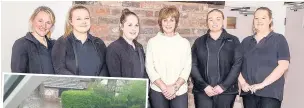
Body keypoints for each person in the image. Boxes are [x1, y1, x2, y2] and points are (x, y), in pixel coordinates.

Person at [238, 7, 290, 108]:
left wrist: (262, 84)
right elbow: (236, 65)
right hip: (249, 93)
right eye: (256, 18)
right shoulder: (246, 41)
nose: (259, 21)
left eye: (263, 18)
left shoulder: (279, 39)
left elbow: (283, 65)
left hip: (270, 93)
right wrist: (243, 83)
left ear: (270, 20)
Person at [191, 9, 242, 108]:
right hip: (203, 92)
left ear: (223, 21)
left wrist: (223, 86)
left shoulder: (234, 40)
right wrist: (204, 86)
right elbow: (193, 65)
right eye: (210, 19)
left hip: (226, 92)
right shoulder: (199, 42)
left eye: (218, 19)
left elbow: (237, 64)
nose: (214, 22)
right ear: (207, 22)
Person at [146, 6, 191, 108]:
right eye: (165, 20)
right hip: (158, 90)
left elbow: (187, 68)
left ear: (176, 22)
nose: (168, 23)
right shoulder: (152, 42)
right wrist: (164, 87)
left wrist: (174, 87)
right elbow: (150, 67)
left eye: (172, 20)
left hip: (179, 91)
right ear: (160, 22)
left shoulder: (184, 43)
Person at [52, 5, 108, 76]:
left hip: (95, 86)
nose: (83, 22)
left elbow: (105, 66)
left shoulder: (99, 43)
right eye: (78, 19)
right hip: (71, 86)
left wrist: (97, 84)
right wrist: (78, 83)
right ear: (71, 21)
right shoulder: (62, 42)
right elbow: (59, 69)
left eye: (86, 18)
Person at [11, 6, 56, 74]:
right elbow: (17, 76)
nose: (44, 26)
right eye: (40, 21)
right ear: (32, 20)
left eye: (48, 22)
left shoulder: (56, 45)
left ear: (51, 26)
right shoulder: (21, 44)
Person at [106, 8, 147, 78]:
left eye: (136, 25)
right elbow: (115, 79)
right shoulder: (113, 48)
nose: (134, 29)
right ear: (121, 26)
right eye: (130, 25)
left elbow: (144, 73)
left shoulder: (139, 47)